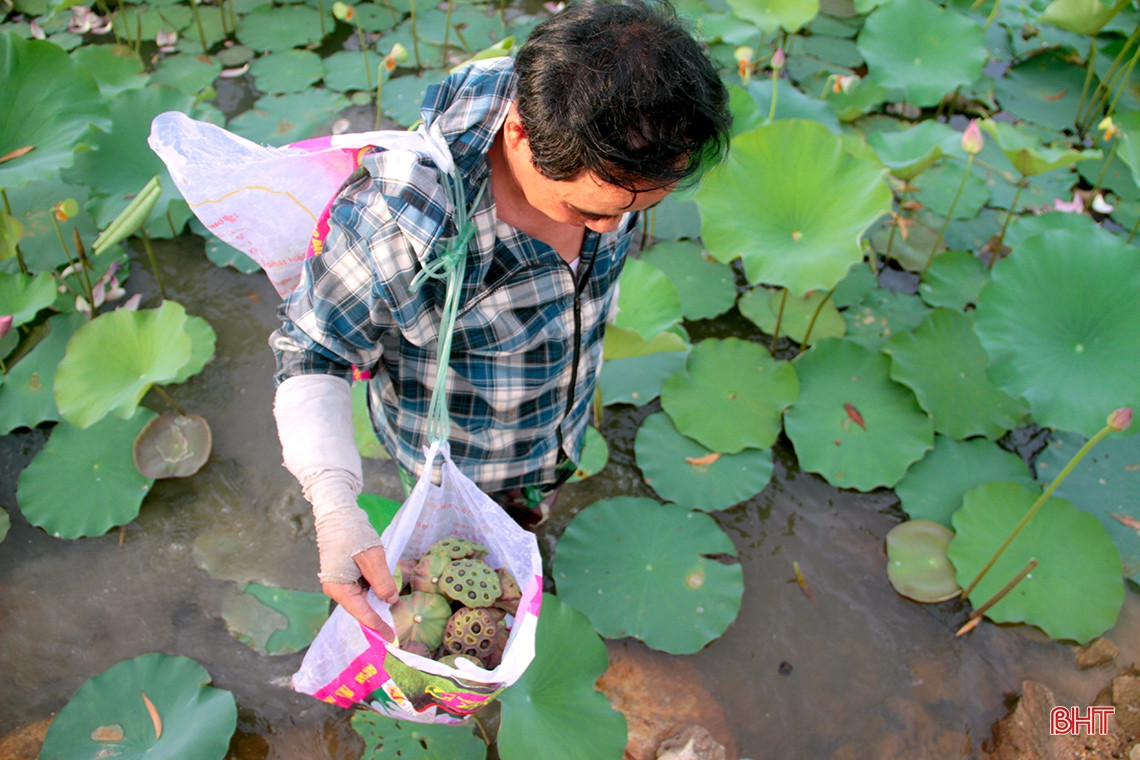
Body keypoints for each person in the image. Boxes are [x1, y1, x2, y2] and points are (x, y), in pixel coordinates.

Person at [270, 0, 731, 638]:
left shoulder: (622, 141)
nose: (613, 228)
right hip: (455, 459)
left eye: (637, 209)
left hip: (554, 431)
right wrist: (333, 502)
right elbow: (309, 350)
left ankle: (531, 514)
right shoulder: (395, 224)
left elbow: (612, 205)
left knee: (524, 534)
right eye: (587, 211)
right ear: (519, 133)